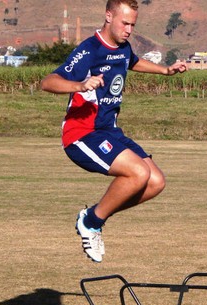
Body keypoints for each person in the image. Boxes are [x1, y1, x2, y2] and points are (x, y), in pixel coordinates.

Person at [41, 0, 187, 263]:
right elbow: (48, 82)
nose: (129, 29)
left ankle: (95, 215)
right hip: (82, 133)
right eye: (125, 23)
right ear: (108, 16)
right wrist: (80, 84)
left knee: (155, 182)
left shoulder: (123, 47)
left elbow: (132, 61)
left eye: (133, 24)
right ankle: (92, 222)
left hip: (110, 130)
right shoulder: (89, 49)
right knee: (138, 173)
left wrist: (165, 70)